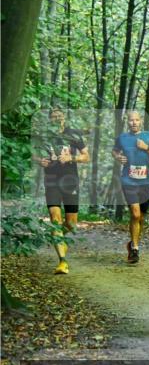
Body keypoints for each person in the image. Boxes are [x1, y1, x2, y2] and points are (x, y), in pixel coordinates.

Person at [33, 109, 89, 274]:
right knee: (55, 218)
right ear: (50, 119)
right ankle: (62, 262)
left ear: (64, 118)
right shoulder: (44, 136)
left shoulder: (73, 134)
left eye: (59, 115)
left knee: (71, 224)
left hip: (70, 182)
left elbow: (86, 156)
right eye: (53, 116)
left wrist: (71, 158)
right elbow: (32, 154)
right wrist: (39, 160)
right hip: (52, 181)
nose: (57, 118)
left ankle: (56, 236)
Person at [112, 110, 149, 264]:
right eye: (130, 120)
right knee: (135, 214)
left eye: (136, 120)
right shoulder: (122, 138)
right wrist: (118, 157)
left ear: (141, 121)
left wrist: (146, 148)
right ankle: (135, 249)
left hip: (145, 182)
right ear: (127, 122)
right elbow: (114, 151)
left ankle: (133, 243)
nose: (133, 123)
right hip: (128, 181)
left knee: (140, 217)